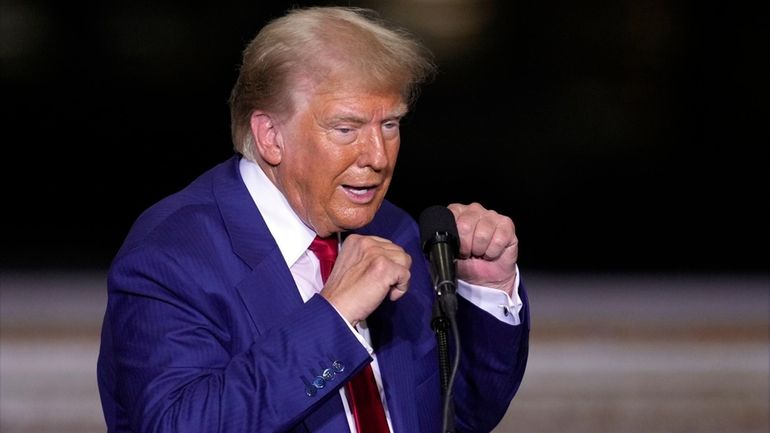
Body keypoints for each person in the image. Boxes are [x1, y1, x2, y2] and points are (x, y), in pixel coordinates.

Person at [97, 6, 529, 433]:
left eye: (391, 125)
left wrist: (486, 289)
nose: (378, 157)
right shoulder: (172, 254)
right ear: (271, 136)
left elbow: (455, 417)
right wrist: (335, 314)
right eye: (347, 129)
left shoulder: (394, 230)